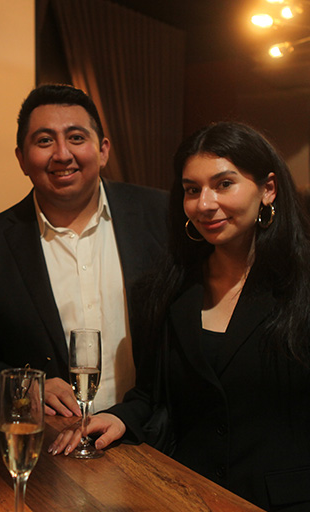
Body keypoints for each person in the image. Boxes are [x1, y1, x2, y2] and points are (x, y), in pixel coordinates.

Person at [50, 122, 310, 511]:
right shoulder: (166, 289)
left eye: (224, 184)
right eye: (192, 189)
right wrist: (122, 418)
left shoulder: (301, 285)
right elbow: (153, 396)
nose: (204, 203)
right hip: (185, 495)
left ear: (268, 189)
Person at [0, 84, 167, 414]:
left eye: (76, 137)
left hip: (149, 432)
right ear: (21, 159)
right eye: (44, 141)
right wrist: (25, 385)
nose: (62, 154)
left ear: (103, 150)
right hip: (52, 437)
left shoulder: (160, 215)